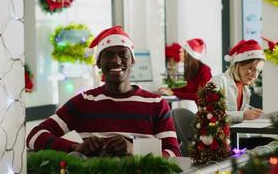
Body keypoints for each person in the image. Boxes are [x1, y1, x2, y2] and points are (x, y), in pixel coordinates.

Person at [26, 26, 181, 158]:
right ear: (99, 63)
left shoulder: (157, 104)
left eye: (123, 54)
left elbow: (173, 152)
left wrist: (135, 150)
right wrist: (75, 147)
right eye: (108, 55)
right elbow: (34, 136)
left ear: (132, 61)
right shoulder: (83, 102)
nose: (116, 60)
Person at [210, 39, 273, 149]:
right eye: (251, 69)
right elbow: (210, 115)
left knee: (273, 144)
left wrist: (256, 115)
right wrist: (243, 115)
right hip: (217, 141)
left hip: (235, 138)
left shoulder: (245, 88)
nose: (254, 75)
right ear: (238, 64)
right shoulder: (218, 82)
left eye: (258, 71)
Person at [159, 38, 212, 104]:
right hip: (202, 111)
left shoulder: (205, 70)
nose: (180, 53)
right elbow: (188, 89)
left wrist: (173, 92)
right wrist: (170, 90)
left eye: (182, 51)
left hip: (210, 112)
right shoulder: (191, 69)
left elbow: (200, 96)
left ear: (189, 54)